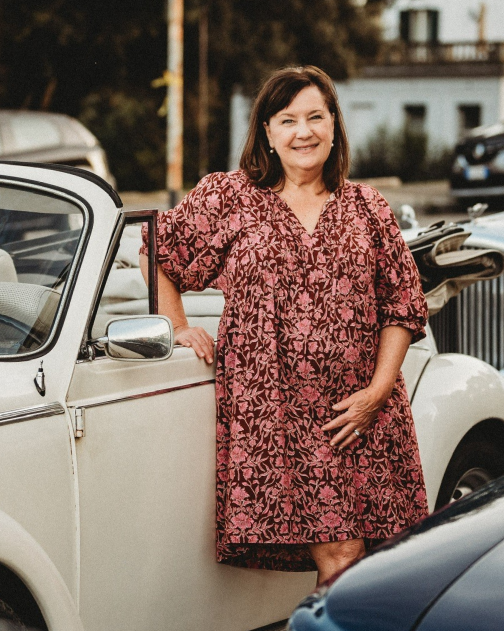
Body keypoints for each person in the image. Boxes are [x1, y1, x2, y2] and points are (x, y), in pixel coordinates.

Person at [140, 65, 428, 585]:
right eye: (288, 119)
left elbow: (401, 306)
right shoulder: (230, 197)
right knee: (343, 556)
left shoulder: (369, 208)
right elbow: (156, 251)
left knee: (372, 564)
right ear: (267, 133)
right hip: (276, 414)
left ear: (335, 126)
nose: (304, 131)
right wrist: (176, 323)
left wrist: (377, 392)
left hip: (359, 414)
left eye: (316, 116)